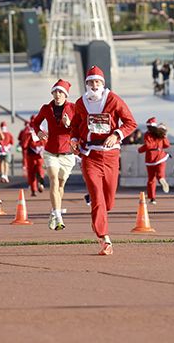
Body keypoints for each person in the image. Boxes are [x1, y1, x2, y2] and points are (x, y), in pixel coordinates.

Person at [70, 65, 138, 256]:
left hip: (110, 155)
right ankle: (104, 238)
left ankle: (97, 206)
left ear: (103, 83)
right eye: (90, 82)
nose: (94, 85)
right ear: (86, 84)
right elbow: (75, 126)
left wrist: (116, 134)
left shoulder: (113, 99)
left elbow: (130, 122)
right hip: (90, 155)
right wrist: (74, 139)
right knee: (98, 199)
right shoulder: (80, 103)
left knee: (108, 201)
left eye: (97, 82)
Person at [31, 79, 76, 230]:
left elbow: (79, 128)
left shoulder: (73, 108)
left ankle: (53, 211)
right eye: (55, 91)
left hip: (67, 153)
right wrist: (38, 132)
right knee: (53, 180)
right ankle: (58, 216)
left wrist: (69, 123)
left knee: (61, 185)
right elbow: (35, 122)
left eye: (61, 92)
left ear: (66, 95)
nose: (57, 95)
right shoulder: (46, 108)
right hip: (50, 151)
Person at [138, 117, 170, 204]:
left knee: (151, 179)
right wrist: (164, 136)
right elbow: (167, 145)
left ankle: (152, 198)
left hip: (150, 158)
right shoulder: (160, 134)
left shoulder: (147, 134)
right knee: (160, 174)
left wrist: (140, 149)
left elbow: (148, 146)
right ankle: (162, 179)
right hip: (160, 156)